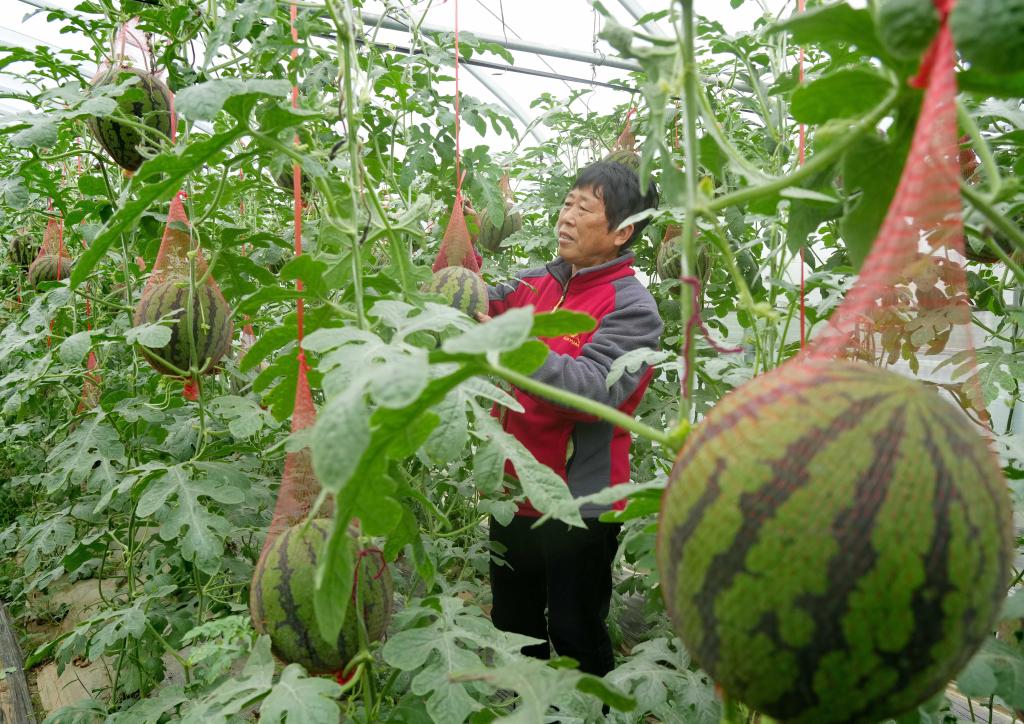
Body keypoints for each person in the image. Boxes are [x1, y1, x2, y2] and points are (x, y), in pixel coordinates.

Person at [480, 161, 663, 677]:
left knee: (573, 626)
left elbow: (589, 390)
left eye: (585, 208)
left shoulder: (632, 308)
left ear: (622, 232)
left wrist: (510, 345)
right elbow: (476, 300)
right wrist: (461, 250)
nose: (566, 217)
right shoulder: (535, 282)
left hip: (580, 501)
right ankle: (528, 707)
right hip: (515, 490)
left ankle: (589, 710)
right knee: (513, 623)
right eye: (567, 203)